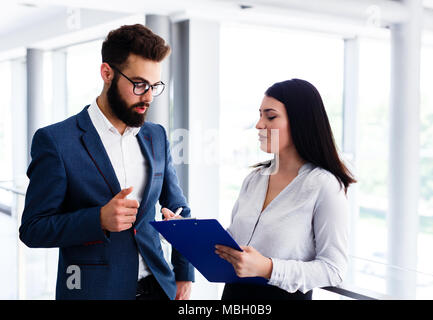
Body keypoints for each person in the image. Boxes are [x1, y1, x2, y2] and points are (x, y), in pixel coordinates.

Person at [19, 24, 194, 300]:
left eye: (155, 86)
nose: (148, 96)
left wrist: (183, 272)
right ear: (107, 73)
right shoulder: (57, 141)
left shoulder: (156, 136)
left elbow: (179, 207)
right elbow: (33, 229)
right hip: (94, 291)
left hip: (160, 287)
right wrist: (98, 219)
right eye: (139, 84)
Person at [215, 78, 356, 300]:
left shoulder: (324, 186)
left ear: (300, 122)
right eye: (260, 115)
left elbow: (334, 270)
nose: (259, 124)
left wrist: (269, 268)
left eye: (270, 116)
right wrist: (190, 230)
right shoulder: (254, 179)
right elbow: (236, 243)